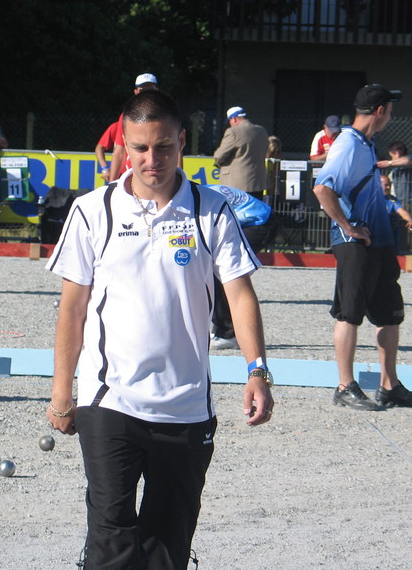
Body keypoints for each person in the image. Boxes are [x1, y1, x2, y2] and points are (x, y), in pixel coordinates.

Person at [45, 89, 274, 569]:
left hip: (186, 407)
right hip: (110, 401)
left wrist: (257, 370)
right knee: (110, 541)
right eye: (141, 148)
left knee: (168, 548)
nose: (153, 159)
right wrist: (61, 391)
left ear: (182, 142)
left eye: (164, 146)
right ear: (124, 147)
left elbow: (239, 293)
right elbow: (72, 308)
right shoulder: (92, 210)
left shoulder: (211, 210)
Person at [313, 83, 412, 411]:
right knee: (349, 313)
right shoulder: (348, 144)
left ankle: (389, 385)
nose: (392, 115)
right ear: (379, 111)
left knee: (389, 314)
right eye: (390, 109)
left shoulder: (365, 142)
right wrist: (347, 226)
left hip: (378, 241)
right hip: (355, 243)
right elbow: (323, 189)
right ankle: (344, 386)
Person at [206, 184, 277, 349]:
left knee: (222, 273)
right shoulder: (201, 191)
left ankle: (228, 333)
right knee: (216, 271)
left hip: (260, 222)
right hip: (257, 218)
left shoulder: (198, 200)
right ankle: (225, 328)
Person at [99, 73, 160, 182]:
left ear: (157, 90)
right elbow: (119, 151)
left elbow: (177, 150)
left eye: (150, 90)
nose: (146, 94)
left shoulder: (167, 115)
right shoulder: (126, 117)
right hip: (131, 177)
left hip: (158, 176)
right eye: (143, 90)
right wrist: (112, 184)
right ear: (136, 92)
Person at [214, 106, 268, 199]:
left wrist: (219, 163)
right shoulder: (262, 131)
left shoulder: (233, 132)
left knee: (236, 212)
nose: (230, 124)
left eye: (229, 121)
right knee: (254, 211)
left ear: (234, 119)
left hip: (237, 184)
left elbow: (219, 156)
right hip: (258, 183)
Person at [376, 140, 412, 210]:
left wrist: (389, 163)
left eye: (400, 149)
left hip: (404, 201)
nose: (397, 152)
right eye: (393, 151)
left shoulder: (408, 159)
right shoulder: (392, 168)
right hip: (391, 201)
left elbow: (406, 161)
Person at [380, 174, 412, 253]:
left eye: (390, 185)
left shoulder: (392, 199)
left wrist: (410, 220)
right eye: (386, 185)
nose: (389, 187)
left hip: (389, 232)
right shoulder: (371, 199)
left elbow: (401, 211)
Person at [263, 135, 282, 205]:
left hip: (269, 193)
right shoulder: (262, 160)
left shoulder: (275, 162)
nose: (275, 155)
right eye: (272, 153)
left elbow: (273, 178)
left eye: (277, 152)